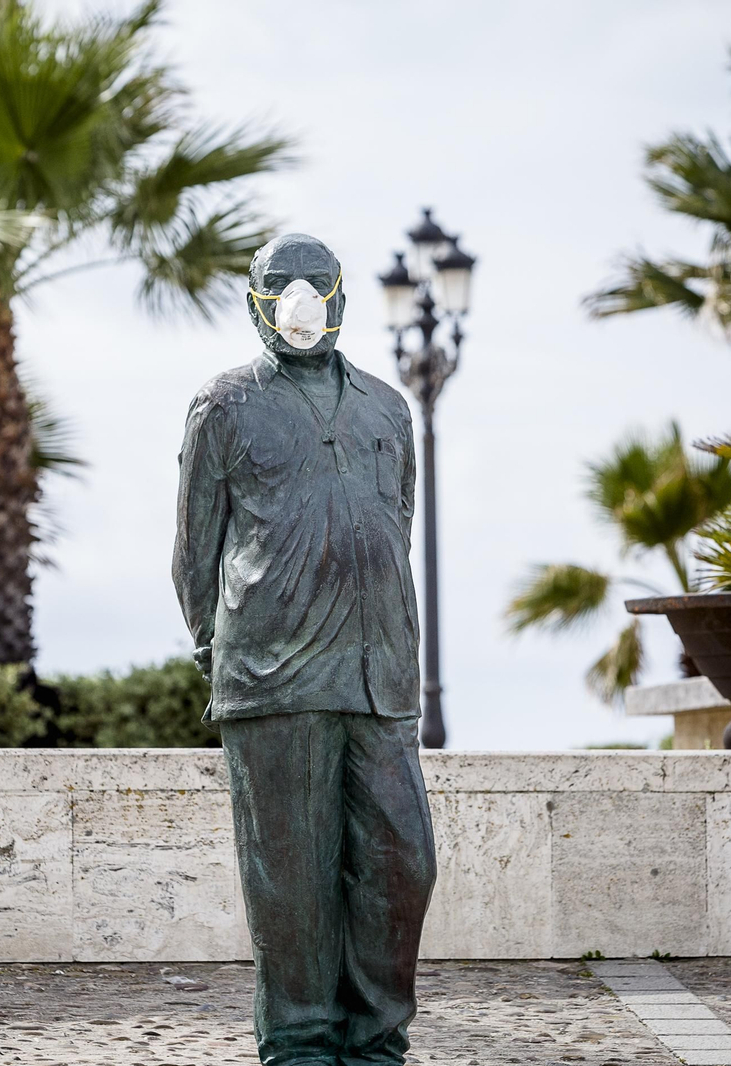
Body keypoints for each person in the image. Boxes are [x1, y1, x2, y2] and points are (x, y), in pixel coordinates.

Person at [172, 233, 437, 1066]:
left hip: (377, 676)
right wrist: (220, 646)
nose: (298, 301)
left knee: (402, 862)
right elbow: (194, 553)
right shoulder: (223, 406)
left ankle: (377, 1040)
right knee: (291, 883)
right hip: (271, 679)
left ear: (341, 301)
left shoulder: (390, 409)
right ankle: (299, 1045)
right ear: (256, 304)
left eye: (313, 286)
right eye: (280, 287)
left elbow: (398, 526)